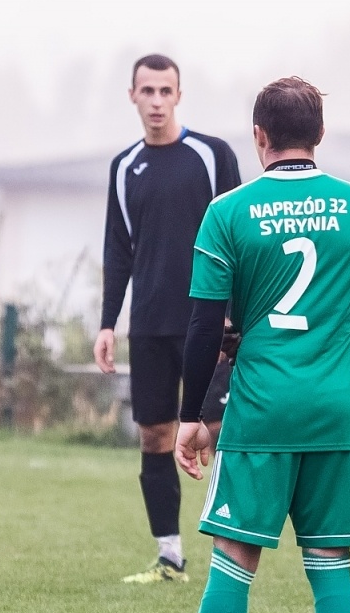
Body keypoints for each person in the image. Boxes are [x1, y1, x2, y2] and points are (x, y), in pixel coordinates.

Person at [174, 76, 350, 613]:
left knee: (233, 559)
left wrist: (193, 415)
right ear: (320, 135)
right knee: (330, 563)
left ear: (259, 136)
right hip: (334, 411)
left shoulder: (230, 212)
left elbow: (201, 326)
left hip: (260, 409)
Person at [96, 54, 241, 585]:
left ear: (179, 95)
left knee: (220, 431)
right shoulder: (123, 167)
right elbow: (119, 250)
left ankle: (235, 548)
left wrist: (238, 316)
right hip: (151, 325)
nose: (156, 101)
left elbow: (241, 237)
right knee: (155, 437)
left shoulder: (211, 155)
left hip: (210, 323)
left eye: (165, 91)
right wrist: (109, 322)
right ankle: (170, 558)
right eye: (147, 91)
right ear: (132, 96)